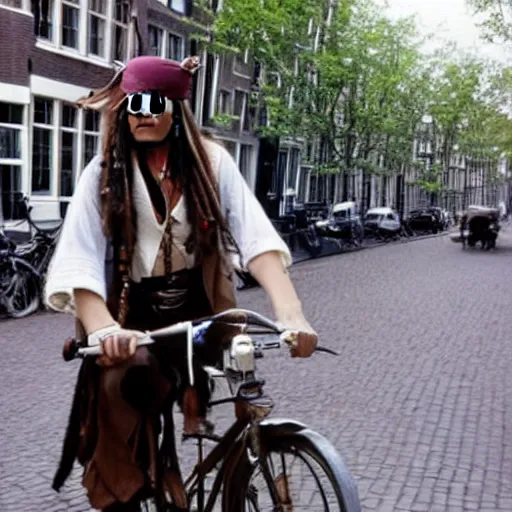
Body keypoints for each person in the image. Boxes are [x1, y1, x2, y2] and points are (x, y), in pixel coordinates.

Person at [45, 55, 317, 511]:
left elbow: (258, 241)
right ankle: (132, 492)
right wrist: (105, 330)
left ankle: (244, 461)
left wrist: (292, 315)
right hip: (135, 319)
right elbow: (80, 260)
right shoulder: (104, 174)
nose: (143, 112)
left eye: (154, 103)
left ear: (177, 109)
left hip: (201, 309)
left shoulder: (211, 163)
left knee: (245, 365)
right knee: (128, 381)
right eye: (133, 104)